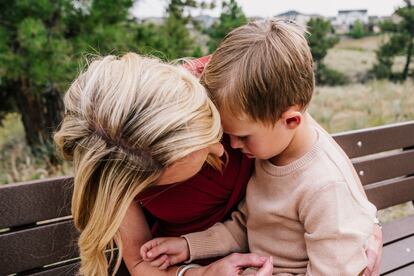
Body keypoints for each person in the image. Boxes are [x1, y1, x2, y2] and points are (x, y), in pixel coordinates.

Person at [140, 19, 381, 275]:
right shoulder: (272, 152)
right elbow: (248, 223)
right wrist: (189, 246)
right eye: (228, 134)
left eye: (243, 136)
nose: (231, 146)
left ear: (290, 120)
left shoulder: (324, 186)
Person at [54, 53, 269, 275]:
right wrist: (203, 274)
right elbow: (139, 262)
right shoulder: (113, 155)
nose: (221, 149)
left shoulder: (237, 74)